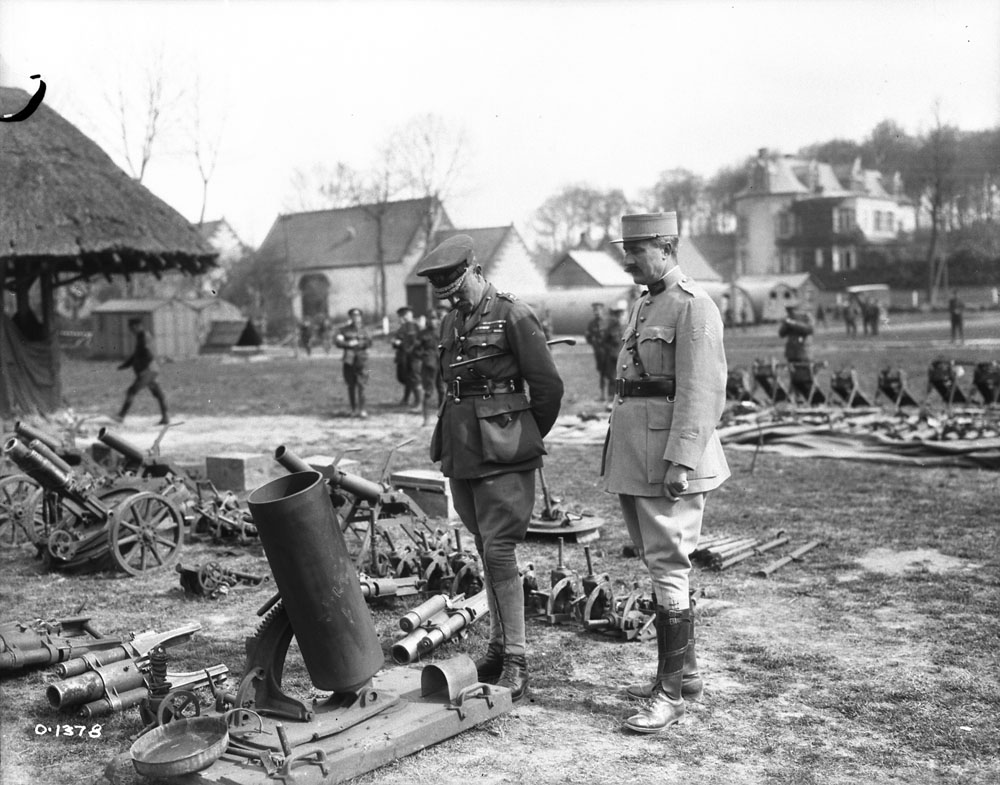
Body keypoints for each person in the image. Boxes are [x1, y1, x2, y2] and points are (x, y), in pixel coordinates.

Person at [415, 234, 564, 702]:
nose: (454, 300)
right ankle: (499, 649)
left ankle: (516, 658)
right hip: (462, 450)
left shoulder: (513, 313)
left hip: (504, 453)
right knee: (485, 549)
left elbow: (548, 387)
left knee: (499, 551)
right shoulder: (451, 320)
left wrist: (519, 435)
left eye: (458, 289)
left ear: (475, 271)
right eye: (447, 295)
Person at [600, 212, 729, 734]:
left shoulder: (693, 306)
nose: (627, 259)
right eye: (625, 249)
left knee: (669, 566)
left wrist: (682, 458)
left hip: (667, 457)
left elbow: (703, 391)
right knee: (660, 564)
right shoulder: (647, 301)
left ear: (668, 246)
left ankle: (670, 693)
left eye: (637, 250)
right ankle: (687, 674)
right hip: (637, 453)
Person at [115, 317, 169, 425]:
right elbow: (136, 355)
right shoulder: (141, 337)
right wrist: (125, 365)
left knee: (132, 391)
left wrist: (144, 367)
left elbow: (148, 352)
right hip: (151, 370)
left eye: (131, 329)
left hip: (148, 371)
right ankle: (165, 418)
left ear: (136, 326)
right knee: (159, 394)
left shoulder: (144, 336)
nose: (131, 331)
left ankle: (121, 416)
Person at [335, 307, 372, 418]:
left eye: (358, 315)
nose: (356, 318)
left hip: (362, 359)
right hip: (349, 360)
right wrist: (348, 344)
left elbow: (369, 342)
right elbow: (338, 342)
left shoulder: (365, 330)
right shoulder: (344, 330)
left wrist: (359, 344)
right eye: (353, 316)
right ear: (350, 317)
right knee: (351, 385)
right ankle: (353, 409)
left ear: (361, 317)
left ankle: (362, 410)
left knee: (362, 385)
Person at [416, 307, 447, 426]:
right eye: (431, 319)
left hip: (441, 364)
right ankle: (426, 418)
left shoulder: (442, 331)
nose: (433, 321)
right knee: (428, 391)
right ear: (427, 320)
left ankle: (442, 417)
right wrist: (425, 356)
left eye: (435, 318)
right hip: (429, 365)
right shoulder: (422, 333)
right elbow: (416, 350)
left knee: (442, 390)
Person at [392, 306, 423, 408]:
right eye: (402, 315)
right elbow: (396, 340)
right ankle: (406, 399)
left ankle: (418, 402)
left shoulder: (417, 326)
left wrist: (402, 344)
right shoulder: (401, 327)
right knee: (404, 378)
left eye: (406, 314)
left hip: (414, 356)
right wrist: (396, 343)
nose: (404, 317)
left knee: (414, 378)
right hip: (403, 356)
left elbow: (419, 341)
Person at [600, 301, 629, 409]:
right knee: (613, 379)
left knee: (627, 379)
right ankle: (611, 401)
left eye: (621, 315)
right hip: (613, 358)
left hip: (626, 359)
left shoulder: (629, 327)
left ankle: (625, 401)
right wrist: (610, 350)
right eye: (617, 315)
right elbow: (604, 342)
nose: (619, 317)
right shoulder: (610, 328)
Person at [585, 302, 610, 401]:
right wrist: (594, 344)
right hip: (599, 353)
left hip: (609, 352)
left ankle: (612, 396)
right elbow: (588, 336)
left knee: (611, 373)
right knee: (602, 373)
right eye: (595, 311)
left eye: (598, 310)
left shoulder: (608, 322)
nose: (596, 312)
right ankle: (603, 395)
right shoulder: (591, 324)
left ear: (602, 311)